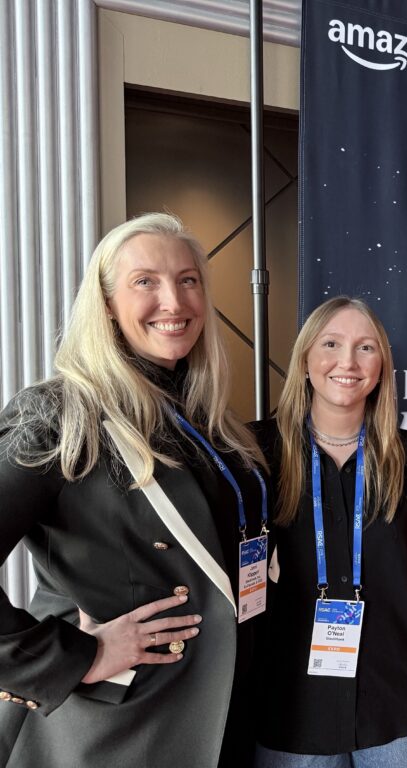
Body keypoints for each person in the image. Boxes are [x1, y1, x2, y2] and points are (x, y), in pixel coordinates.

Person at [0, 213, 269, 767]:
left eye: (188, 279)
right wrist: (77, 657)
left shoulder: (211, 422)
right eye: (145, 281)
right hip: (118, 729)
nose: (174, 301)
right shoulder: (58, 414)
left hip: (227, 717)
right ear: (105, 304)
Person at [254, 296, 407, 768]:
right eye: (331, 344)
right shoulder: (257, 454)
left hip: (396, 704)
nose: (347, 362)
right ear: (306, 359)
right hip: (291, 707)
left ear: (382, 366)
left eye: (365, 348)